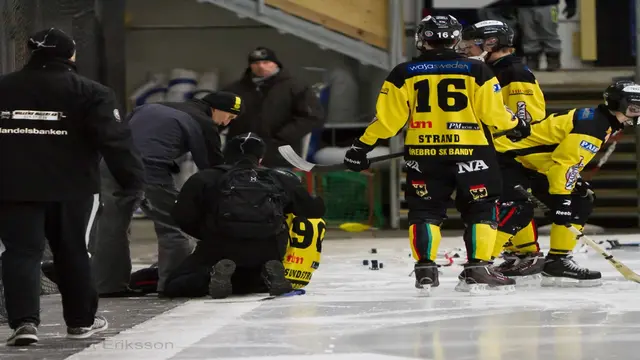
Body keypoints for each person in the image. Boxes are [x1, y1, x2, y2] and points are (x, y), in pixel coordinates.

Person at [342, 15, 531, 295]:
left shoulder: (403, 72)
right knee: (481, 210)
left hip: (424, 155)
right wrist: (517, 124)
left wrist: (361, 147)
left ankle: (425, 270)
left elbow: (387, 122)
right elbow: (495, 115)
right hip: (473, 152)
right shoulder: (477, 71)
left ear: (422, 38)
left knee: (425, 212)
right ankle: (478, 269)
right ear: (456, 38)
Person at [0, 28, 144, 345]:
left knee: (22, 252)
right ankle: (80, 322)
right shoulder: (91, 92)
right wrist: (133, 181)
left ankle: (24, 323)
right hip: (72, 187)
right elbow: (115, 141)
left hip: (12, 186)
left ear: (30, 53)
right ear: (71, 55)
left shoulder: (4, 88)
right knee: (73, 251)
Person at [91, 91, 243, 297]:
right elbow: (212, 168)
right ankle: (174, 284)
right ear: (216, 109)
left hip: (111, 165)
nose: (226, 123)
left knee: (112, 226)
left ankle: (108, 285)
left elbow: (121, 134)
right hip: (149, 169)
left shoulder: (151, 107)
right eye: (229, 117)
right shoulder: (202, 122)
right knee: (175, 225)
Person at [494, 80, 640, 287]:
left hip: (532, 164)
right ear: (617, 104)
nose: (638, 114)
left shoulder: (603, 122)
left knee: (581, 199)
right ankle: (480, 265)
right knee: (518, 209)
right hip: (504, 159)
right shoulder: (594, 125)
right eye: (634, 108)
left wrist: (567, 195)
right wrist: (562, 202)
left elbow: (562, 162)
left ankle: (558, 261)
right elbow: (564, 166)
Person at [162, 133, 326, 299]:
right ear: (260, 158)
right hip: (268, 248)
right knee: (251, 279)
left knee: (175, 285)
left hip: (219, 247)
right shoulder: (280, 178)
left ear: (227, 155)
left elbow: (181, 216)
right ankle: (266, 274)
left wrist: (206, 232)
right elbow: (315, 210)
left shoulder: (204, 178)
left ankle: (211, 275)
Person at [458, 20, 547, 281]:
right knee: (502, 203)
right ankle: (525, 254)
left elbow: (525, 117)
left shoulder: (514, 71)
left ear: (491, 43)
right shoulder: (492, 68)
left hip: (509, 152)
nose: (467, 47)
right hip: (496, 148)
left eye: (473, 42)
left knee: (510, 205)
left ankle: (483, 262)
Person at [222, 47, 325, 167]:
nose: (261, 66)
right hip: (241, 155)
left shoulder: (295, 87)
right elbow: (218, 116)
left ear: (275, 64)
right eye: (256, 63)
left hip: (280, 156)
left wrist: (282, 137)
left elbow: (312, 116)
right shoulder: (235, 90)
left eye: (266, 62)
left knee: (278, 184)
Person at [514, 0, 576, 71]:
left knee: (550, 33)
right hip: (524, 6)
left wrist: (571, 5)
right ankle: (531, 61)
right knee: (528, 35)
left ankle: (553, 60)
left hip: (549, 5)